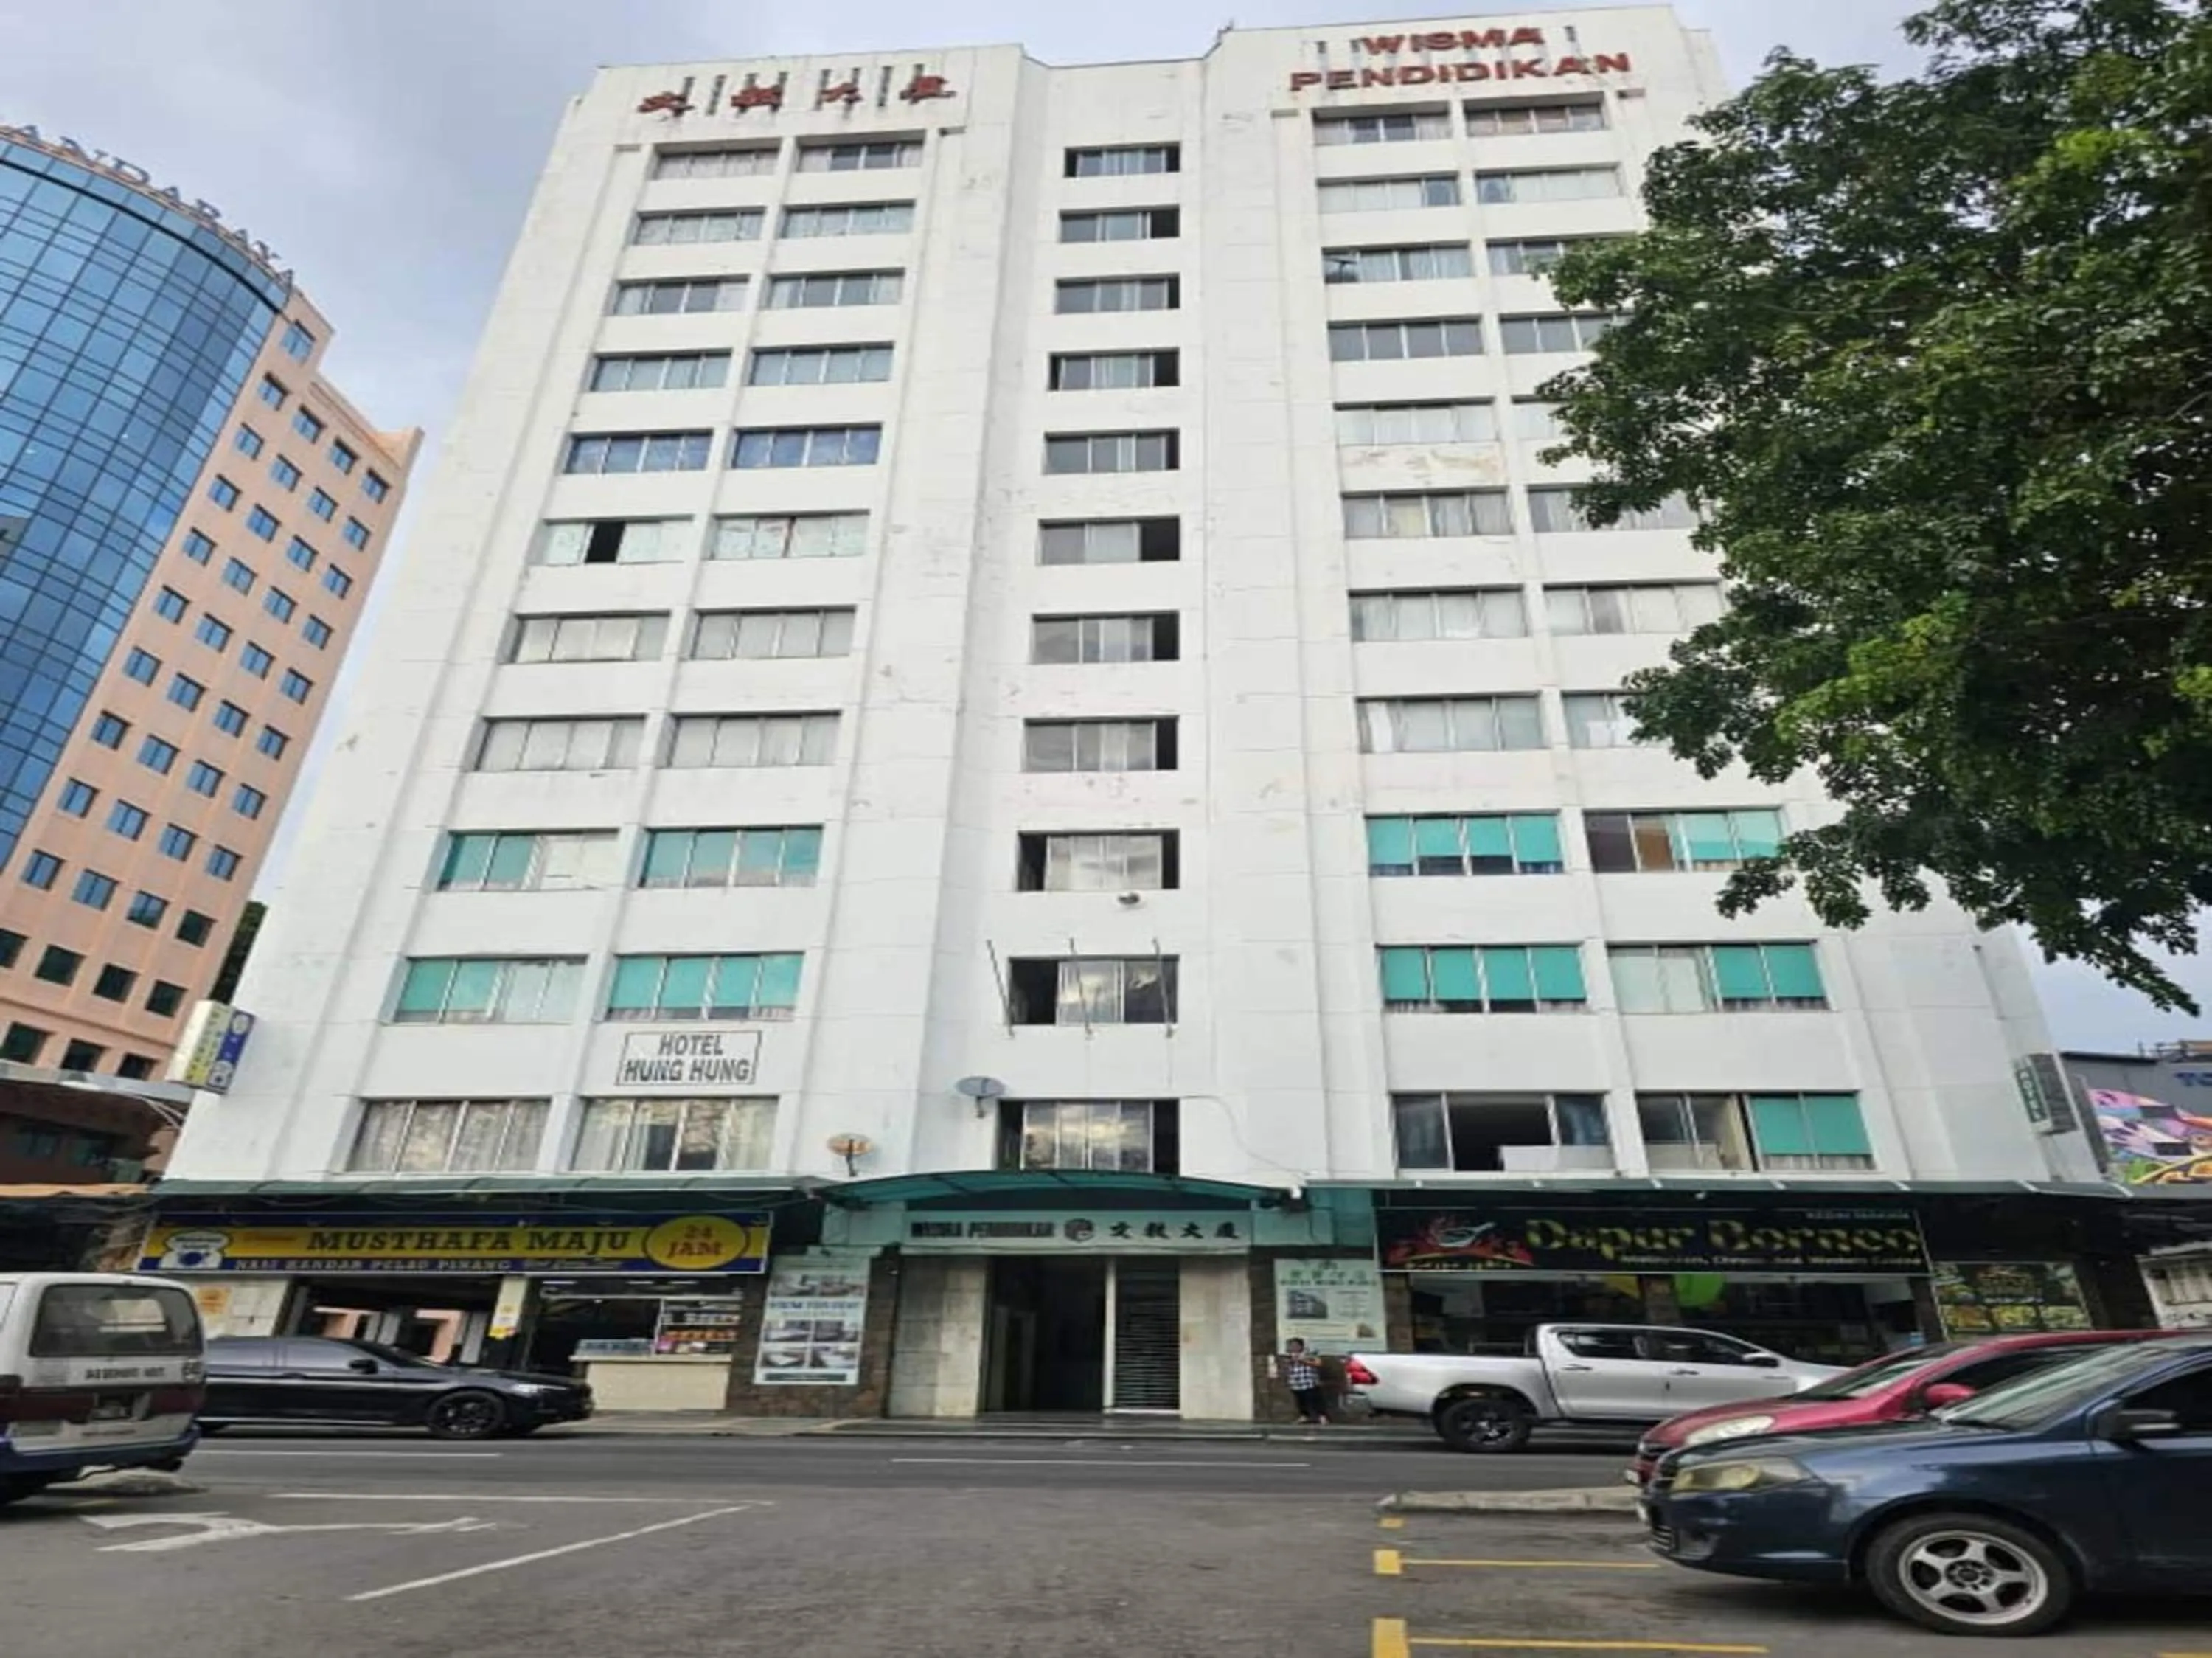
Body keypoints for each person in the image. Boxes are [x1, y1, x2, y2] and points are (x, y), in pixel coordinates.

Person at [1282, 1338, 1328, 1426]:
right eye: (1291, 1346)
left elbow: (1318, 1363)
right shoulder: (1289, 1357)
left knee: (1315, 1401)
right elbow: (1287, 1369)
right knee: (1301, 1402)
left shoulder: (1309, 1355)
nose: (1293, 1348)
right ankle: (1304, 1416)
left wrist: (1303, 1360)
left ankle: (1322, 1417)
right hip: (1297, 1384)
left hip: (1310, 1382)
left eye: (1296, 1345)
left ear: (1301, 1346)